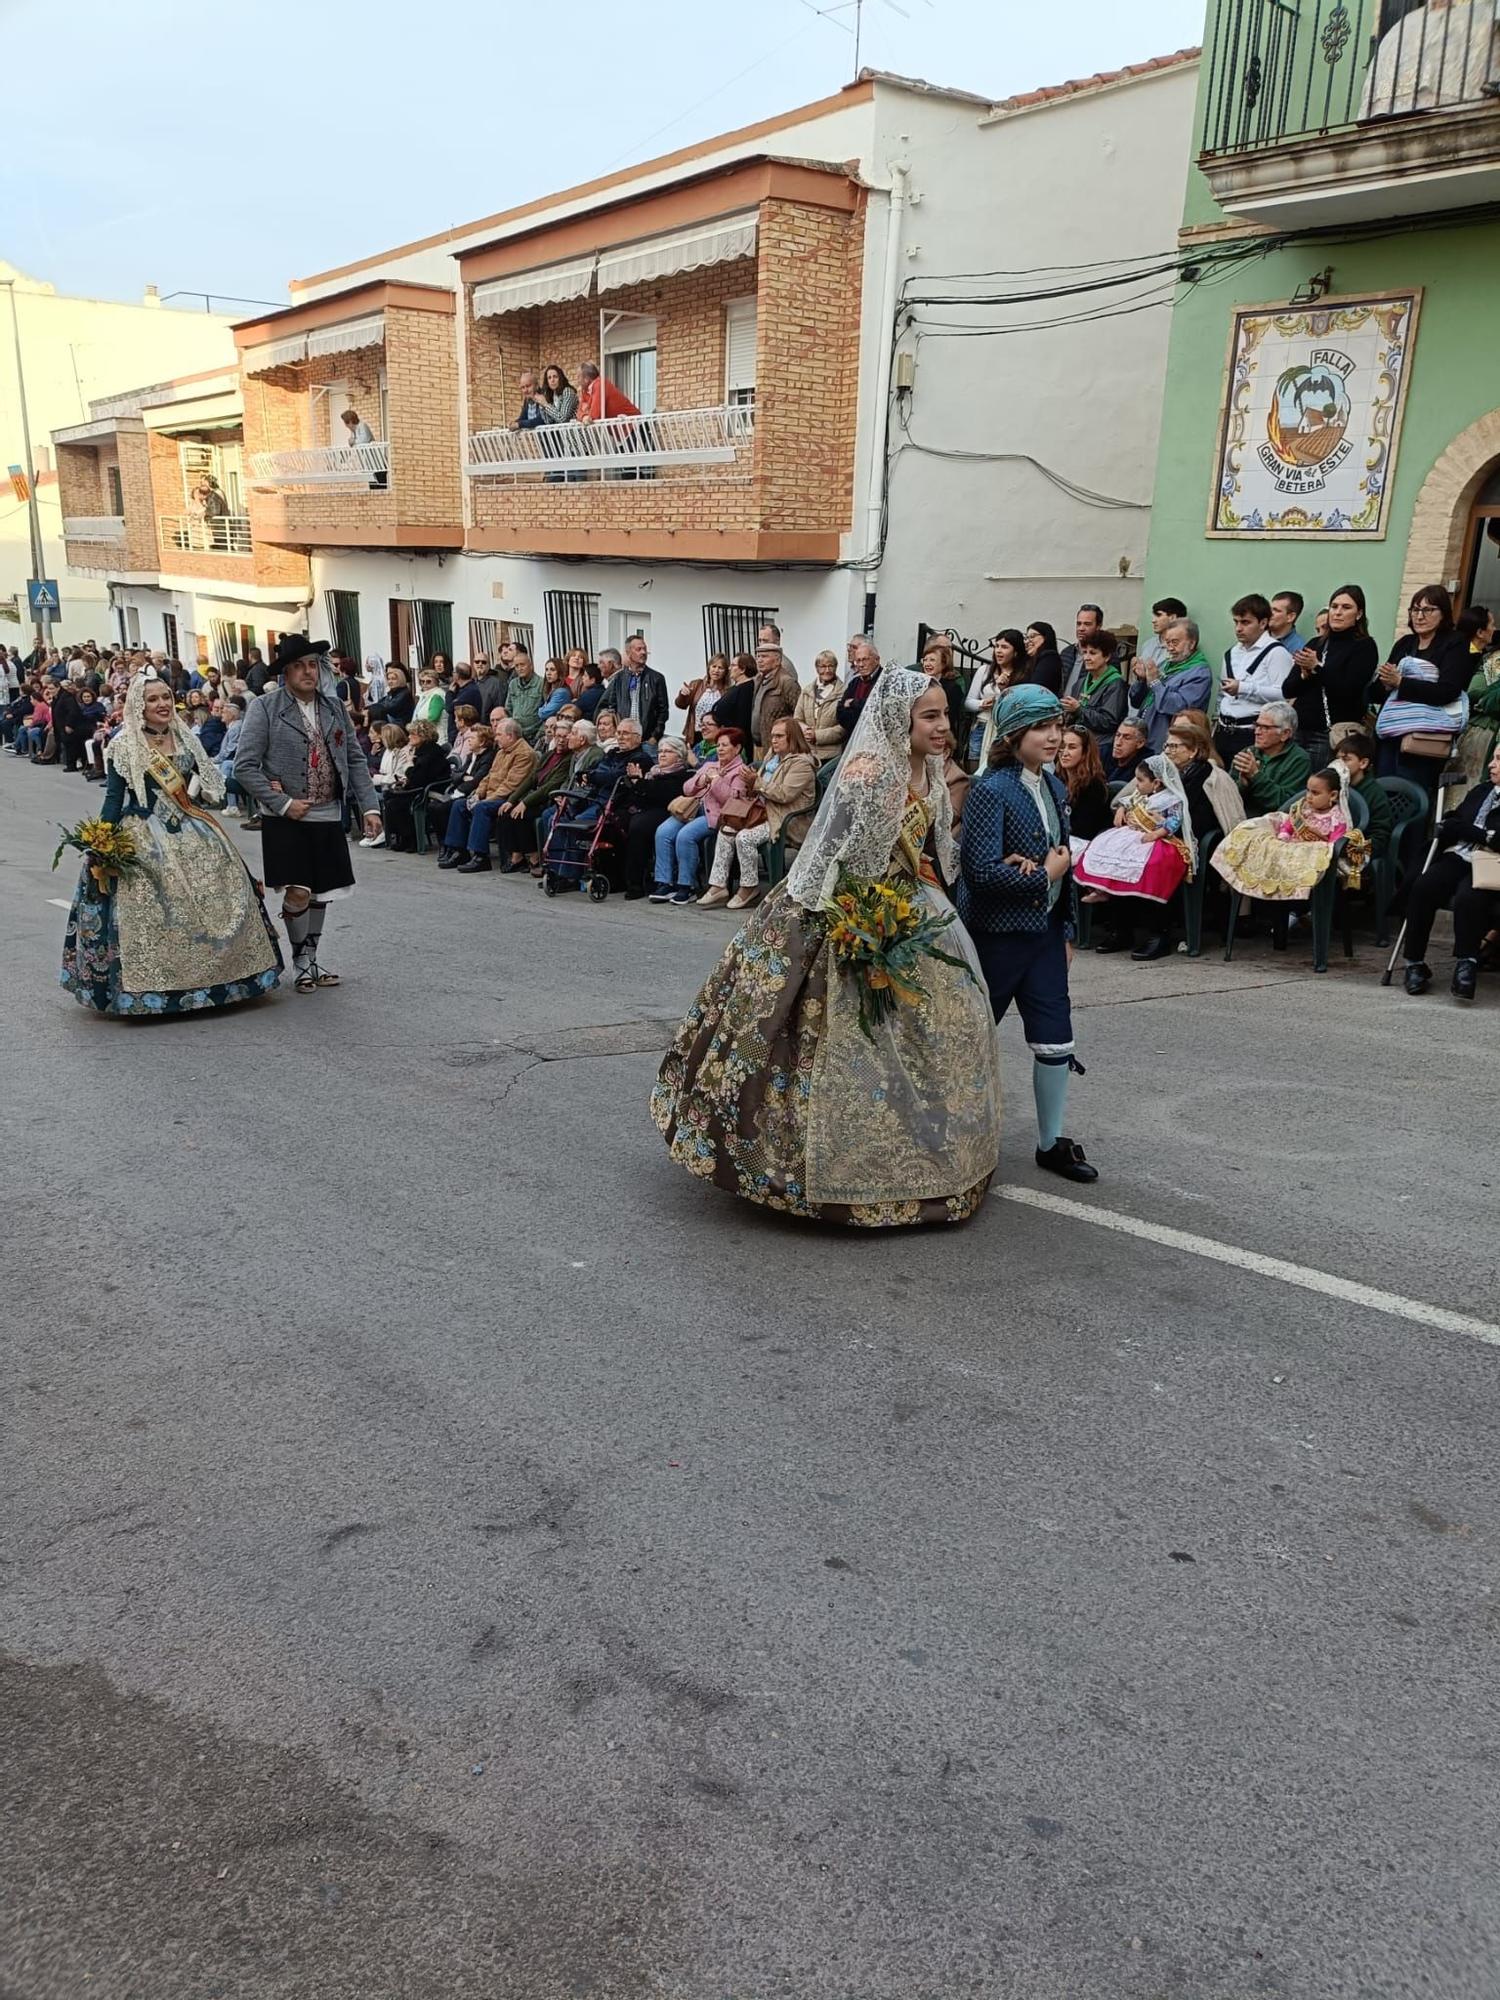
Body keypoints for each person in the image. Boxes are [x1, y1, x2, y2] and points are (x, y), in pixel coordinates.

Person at [653, 670, 1000, 1225]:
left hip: (907, 905)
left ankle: (932, 1157)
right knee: (830, 1039)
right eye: (929, 716)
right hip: (843, 909)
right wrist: (865, 924)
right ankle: (820, 1169)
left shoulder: (931, 771)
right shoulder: (869, 774)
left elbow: (934, 853)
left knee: (946, 1027)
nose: (942, 727)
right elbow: (835, 858)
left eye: (944, 715)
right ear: (899, 719)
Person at [61, 669, 282, 1015]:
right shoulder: (124, 745)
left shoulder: (185, 737)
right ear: (139, 706)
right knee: (152, 904)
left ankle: (223, 979)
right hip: (143, 833)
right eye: (153, 699)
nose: (162, 704)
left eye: (165, 697)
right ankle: (153, 990)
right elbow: (114, 800)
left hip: (190, 827)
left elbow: (201, 786)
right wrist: (102, 844)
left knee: (221, 889)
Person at [957, 684, 1095, 1184]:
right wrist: (1043, 876)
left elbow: (1067, 864)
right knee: (970, 1037)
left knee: (1056, 1040)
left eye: (1057, 726)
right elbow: (980, 873)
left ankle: (1050, 1142)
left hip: (1044, 937)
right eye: (1041, 727)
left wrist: (1067, 928)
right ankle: (951, 1133)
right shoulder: (990, 789)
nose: (1053, 736)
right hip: (995, 937)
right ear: (1014, 734)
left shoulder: (1055, 787)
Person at [233, 635, 383, 992]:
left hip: (328, 811)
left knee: (321, 892)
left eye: (312, 664)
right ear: (286, 673)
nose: (307, 672)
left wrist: (370, 806)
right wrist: (283, 803)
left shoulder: (333, 708)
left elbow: (355, 759)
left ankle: (310, 960)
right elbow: (245, 766)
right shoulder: (266, 708)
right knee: (298, 890)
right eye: (299, 666)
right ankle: (302, 962)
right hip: (286, 816)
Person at [1398, 746, 1500, 1001]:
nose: (1491, 765)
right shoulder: (1482, 790)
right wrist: (1465, 828)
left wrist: (1470, 830)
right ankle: (1414, 963)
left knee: (1469, 897)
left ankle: (1467, 964)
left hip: (1490, 864)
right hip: (1459, 854)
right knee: (1424, 886)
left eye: (1498, 760)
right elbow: (1457, 820)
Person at [1075, 753, 1196, 960]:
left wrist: (1157, 832)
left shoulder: (1171, 799)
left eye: (1140, 780)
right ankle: (1119, 927)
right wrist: (1122, 808)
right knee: (1106, 852)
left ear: (1156, 782)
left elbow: (1174, 822)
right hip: (1135, 838)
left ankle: (1158, 935)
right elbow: (1127, 799)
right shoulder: (1141, 795)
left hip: (1162, 842)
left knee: (1151, 866)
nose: (1137, 784)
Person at [698, 717, 817, 910]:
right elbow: (759, 788)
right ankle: (718, 885)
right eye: (772, 736)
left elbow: (784, 794)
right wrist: (749, 783)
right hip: (763, 812)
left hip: (785, 818)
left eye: (779, 736)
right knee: (727, 829)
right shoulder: (772, 758)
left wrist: (756, 782)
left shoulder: (801, 764)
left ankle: (749, 888)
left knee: (744, 838)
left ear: (793, 737)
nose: (774, 740)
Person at [1212, 761, 1366, 910]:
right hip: (1291, 851)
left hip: (1312, 857)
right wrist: (1284, 836)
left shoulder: (1336, 818)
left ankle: (1298, 910)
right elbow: (1289, 825)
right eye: (1307, 791)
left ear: (1333, 795)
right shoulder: (1302, 809)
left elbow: (1335, 843)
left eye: (1315, 793)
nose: (1309, 796)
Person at [1374, 583, 1473, 795]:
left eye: (1428, 610)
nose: (1420, 616)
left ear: (1443, 613)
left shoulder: (1455, 643)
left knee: (1411, 798)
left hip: (1425, 738)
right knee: (1383, 794)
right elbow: (1379, 691)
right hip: (1392, 735)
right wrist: (1384, 681)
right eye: (1415, 610)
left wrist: (1402, 683)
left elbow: (1448, 690)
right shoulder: (1405, 643)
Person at [651, 726, 752, 904]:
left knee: (685, 835)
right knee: (663, 831)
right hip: (694, 809)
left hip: (718, 816)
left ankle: (686, 886)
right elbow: (687, 788)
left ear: (737, 749)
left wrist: (716, 781)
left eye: (724, 745)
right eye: (718, 745)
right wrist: (703, 779)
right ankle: (664, 882)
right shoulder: (710, 765)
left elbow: (731, 801)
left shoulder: (740, 771)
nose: (719, 749)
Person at [1284, 583, 1380, 765]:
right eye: (1334, 607)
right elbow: (1288, 689)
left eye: (1346, 607)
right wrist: (1304, 676)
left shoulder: (1364, 647)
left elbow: (1349, 690)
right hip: (1299, 729)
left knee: (1320, 788)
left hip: (1329, 734)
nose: (1337, 612)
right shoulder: (1316, 643)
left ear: (1359, 614)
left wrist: (1317, 668)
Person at [444, 719, 538, 873]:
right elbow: (488, 777)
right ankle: (458, 850)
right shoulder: (501, 752)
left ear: (511, 736)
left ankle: (480, 856)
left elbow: (511, 785)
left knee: (482, 808)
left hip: (509, 799)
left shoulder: (524, 754)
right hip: (492, 795)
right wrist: (478, 794)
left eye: (499, 735)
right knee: (460, 804)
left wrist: (486, 799)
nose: (496, 738)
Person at [1216, 594, 1298, 765]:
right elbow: (1222, 694)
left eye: (1245, 622)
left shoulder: (1277, 653)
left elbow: (1284, 695)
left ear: (1263, 623)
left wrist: (1244, 688)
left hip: (1252, 733)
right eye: (1236, 622)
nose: (1238, 628)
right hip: (1223, 730)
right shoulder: (1231, 653)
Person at [1127, 617, 1213, 753]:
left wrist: (1155, 682)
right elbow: (1136, 702)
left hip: (1170, 744)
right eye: (1167, 643)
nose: (1170, 648)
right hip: (1146, 738)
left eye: (1175, 642)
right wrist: (1142, 680)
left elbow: (1177, 706)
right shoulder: (1169, 665)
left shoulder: (1199, 673)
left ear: (1192, 643)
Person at [620, 738, 692, 898]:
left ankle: (636, 884)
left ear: (679, 756)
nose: (662, 755)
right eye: (660, 751)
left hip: (667, 811)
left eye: (668, 751)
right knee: (618, 821)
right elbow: (641, 796)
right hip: (647, 809)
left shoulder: (682, 775)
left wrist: (640, 784)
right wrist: (638, 784)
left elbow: (663, 796)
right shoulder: (653, 773)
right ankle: (617, 878)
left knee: (639, 827)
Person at [1163, 716, 1246, 838]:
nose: (1167, 751)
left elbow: (1230, 823)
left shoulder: (1215, 779)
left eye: (1173, 746)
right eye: (1166, 746)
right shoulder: (1167, 772)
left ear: (1193, 751)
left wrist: (1162, 822)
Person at [1230, 699, 1312, 813]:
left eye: (1265, 728)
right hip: (1238, 816)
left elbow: (1285, 804)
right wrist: (1243, 784)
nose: (1257, 732)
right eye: (1257, 725)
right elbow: (1227, 798)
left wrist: (1255, 776)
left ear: (1285, 734)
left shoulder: (1299, 760)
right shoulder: (1247, 753)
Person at [966, 629, 1027, 767]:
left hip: (1006, 731)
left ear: (1016, 652)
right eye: (996, 646)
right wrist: (982, 704)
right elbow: (968, 702)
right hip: (982, 725)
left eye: (1004, 647)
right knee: (974, 771)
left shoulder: (1023, 675)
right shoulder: (985, 671)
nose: (998, 651)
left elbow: (1019, 706)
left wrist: (1003, 689)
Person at [1332, 730, 1393, 862]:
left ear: (1363, 763)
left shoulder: (1374, 793)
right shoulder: (1333, 785)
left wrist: (1352, 849)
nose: (1339, 765)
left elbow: (1380, 835)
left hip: (1354, 850)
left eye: (1346, 759)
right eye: (1337, 759)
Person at [598, 635, 669, 745]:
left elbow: (663, 711)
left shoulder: (656, 678)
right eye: (638, 649)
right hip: (623, 737)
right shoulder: (619, 678)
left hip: (647, 739)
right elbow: (612, 706)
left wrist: (655, 736)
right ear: (628, 652)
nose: (643, 652)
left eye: (645, 649)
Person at [1062, 628, 1128, 741]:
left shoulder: (1116, 684)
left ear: (1106, 657)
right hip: (1079, 742)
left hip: (1100, 746)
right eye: (1084, 652)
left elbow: (1109, 721)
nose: (1086, 658)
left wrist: (1079, 709)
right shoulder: (1080, 683)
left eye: (1092, 653)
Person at [1056, 724, 1111, 850]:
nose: (1064, 753)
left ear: (1085, 752)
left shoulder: (1094, 785)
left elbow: (1082, 830)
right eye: (1062, 746)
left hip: (1083, 845)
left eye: (1072, 747)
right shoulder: (1057, 777)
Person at [750, 636, 802, 757]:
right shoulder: (758, 680)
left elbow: (798, 715)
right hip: (758, 745)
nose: (759, 660)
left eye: (765, 657)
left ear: (778, 660)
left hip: (778, 748)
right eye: (758, 656)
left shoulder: (787, 682)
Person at [794, 649, 846, 764]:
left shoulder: (844, 692)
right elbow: (797, 718)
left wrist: (817, 736)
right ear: (817, 668)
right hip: (807, 753)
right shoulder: (807, 691)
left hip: (832, 755)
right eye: (822, 666)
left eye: (830, 666)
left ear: (836, 667)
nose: (827, 670)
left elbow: (844, 726)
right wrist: (806, 730)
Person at [835, 641, 882, 738]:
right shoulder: (854, 682)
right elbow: (840, 712)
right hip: (853, 738)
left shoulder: (884, 680)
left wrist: (853, 703)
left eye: (865, 660)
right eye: (858, 661)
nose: (861, 664)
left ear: (877, 660)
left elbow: (877, 708)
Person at [1137, 596, 1188, 673]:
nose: (1153, 620)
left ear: (1173, 617)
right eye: (1154, 616)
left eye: (1159, 615)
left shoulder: (1182, 649)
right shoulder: (1148, 644)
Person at [504, 648, 545, 744]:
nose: (519, 668)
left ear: (531, 666)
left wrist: (540, 733)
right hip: (516, 735)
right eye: (516, 666)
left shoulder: (541, 683)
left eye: (522, 665)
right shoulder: (513, 684)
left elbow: (547, 711)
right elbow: (508, 708)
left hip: (535, 735)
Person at [712, 653, 756, 740]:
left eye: (733, 665)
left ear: (742, 669)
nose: (729, 668)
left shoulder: (746, 689)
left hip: (734, 739)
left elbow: (742, 720)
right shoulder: (736, 687)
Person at [1102, 714, 1149, 786]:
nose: (1118, 743)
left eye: (1126, 738)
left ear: (1140, 743)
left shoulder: (1146, 767)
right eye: (1117, 735)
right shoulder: (1103, 752)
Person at [366, 664, 415, 730]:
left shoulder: (404, 694)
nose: (390, 682)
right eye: (388, 679)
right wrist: (367, 709)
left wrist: (369, 709)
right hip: (391, 724)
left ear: (400, 679)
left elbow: (388, 707)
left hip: (399, 726)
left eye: (393, 679)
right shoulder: (392, 692)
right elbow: (380, 703)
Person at [1023, 621, 1064, 696]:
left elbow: (1036, 688)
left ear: (1045, 637)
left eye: (1032, 636)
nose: (1027, 641)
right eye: (1026, 638)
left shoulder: (1049, 657)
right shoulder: (1029, 661)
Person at [1268, 590, 1308, 659]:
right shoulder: (1257, 636)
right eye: (1270, 609)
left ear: (1290, 617)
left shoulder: (1298, 648)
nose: (1269, 613)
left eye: (1276, 610)